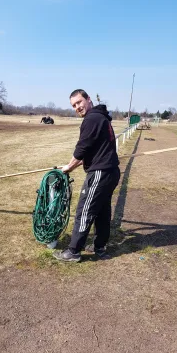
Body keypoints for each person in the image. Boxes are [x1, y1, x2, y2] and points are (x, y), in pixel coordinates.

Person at [54, 89, 120, 262]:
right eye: (74, 105)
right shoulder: (101, 117)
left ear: (88, 99)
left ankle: (73, 251)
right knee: (102, 211)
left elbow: (81, 149)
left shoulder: (91, 119)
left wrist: (69, 167)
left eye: (79, 102)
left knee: (85, 210)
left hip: (100, 174)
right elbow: (95, 149)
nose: (77, 107)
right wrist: (74, 165)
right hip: (110, 172)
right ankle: (100, 247)